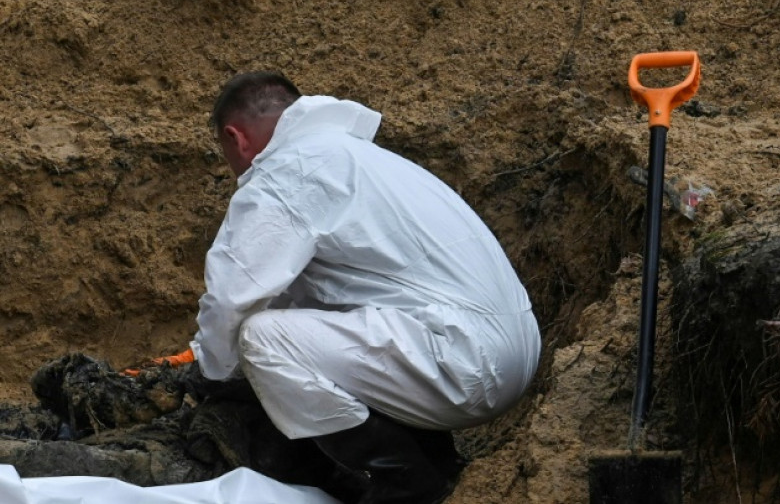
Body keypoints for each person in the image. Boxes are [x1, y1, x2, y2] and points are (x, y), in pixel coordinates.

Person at [153, 71, 541, 504]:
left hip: (466, 361)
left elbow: (232, 295)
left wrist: (211, 370)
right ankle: (436, 463)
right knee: (322, 331)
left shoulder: (287, 172)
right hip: (513, 350)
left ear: (235, 138)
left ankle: (406, 485)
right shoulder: (359, 159)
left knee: (262, 340)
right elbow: (297, 298)